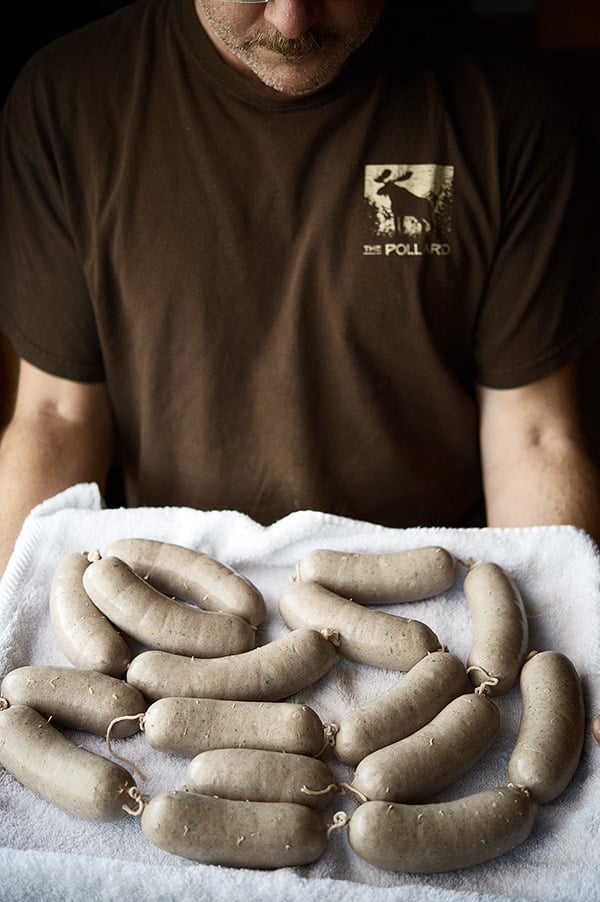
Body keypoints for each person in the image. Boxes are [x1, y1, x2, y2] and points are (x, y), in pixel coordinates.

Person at [1, 1, 600, 733]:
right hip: (167, 613)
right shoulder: (69, 100)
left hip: (437, 614)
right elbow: (56, 416)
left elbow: (535, 434)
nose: (290, 20)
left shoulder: (508, 112)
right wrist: (8, 632)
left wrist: (568, 654)